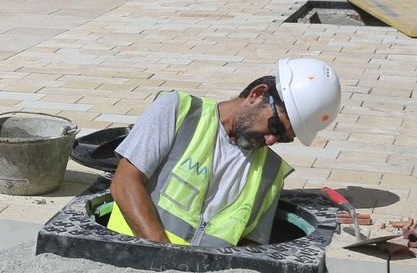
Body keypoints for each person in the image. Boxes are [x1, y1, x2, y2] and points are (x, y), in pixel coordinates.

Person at [101, 58, 342, 247]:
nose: (270, 140)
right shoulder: (179, 111)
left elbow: (252, 244)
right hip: (128, 262)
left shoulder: (270, 172)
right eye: (275, 126)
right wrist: (166, 257)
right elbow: (124, 183)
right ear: (256, 94)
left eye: (284, 138)